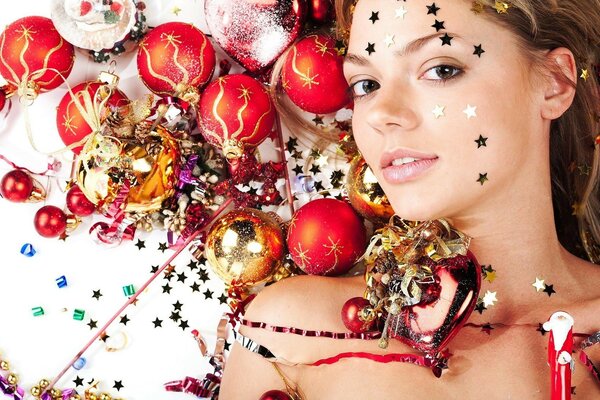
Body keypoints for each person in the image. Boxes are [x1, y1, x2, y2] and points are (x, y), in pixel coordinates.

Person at [219, 0, 600, 398]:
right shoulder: (288, 333)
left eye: (440, 69)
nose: (381, 112)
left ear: (554, 82)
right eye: (366, 85)